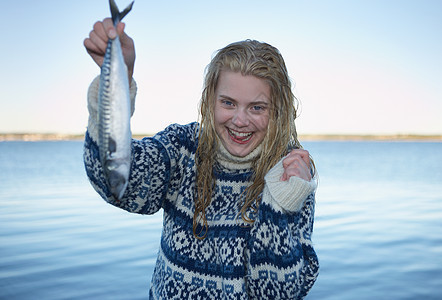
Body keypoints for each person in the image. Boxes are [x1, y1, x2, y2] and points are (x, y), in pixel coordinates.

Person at [83, 17, 319, 299]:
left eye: (257, 107)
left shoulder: (291, 174)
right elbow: (117, 184)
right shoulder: (182, 148)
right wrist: (117, 79)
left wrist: (281, 204)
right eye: (228, 103)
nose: (240, 120)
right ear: (210, 99)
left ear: (278, 109)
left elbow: (279, 293)